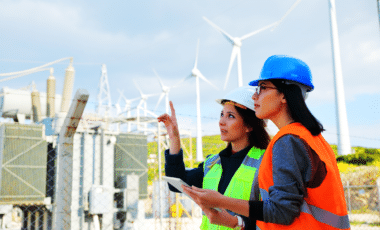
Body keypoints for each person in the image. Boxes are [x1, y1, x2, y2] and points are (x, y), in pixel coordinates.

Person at [183, 55, 350, 230]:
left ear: (284, 95)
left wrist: (222, 201)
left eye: (262, 88)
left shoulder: (288, 140)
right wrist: (236, 222)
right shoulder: (309, 137)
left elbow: (282, 212)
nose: (254, 96)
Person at [158, 86, 270, 229]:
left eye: (230, 116)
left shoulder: (265, 162)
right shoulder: (212, 163)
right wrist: (174, 138)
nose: (221, 121)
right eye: (221, 114)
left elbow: (274, 214)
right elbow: (176, 182)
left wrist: (237, 222)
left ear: (249, 125)